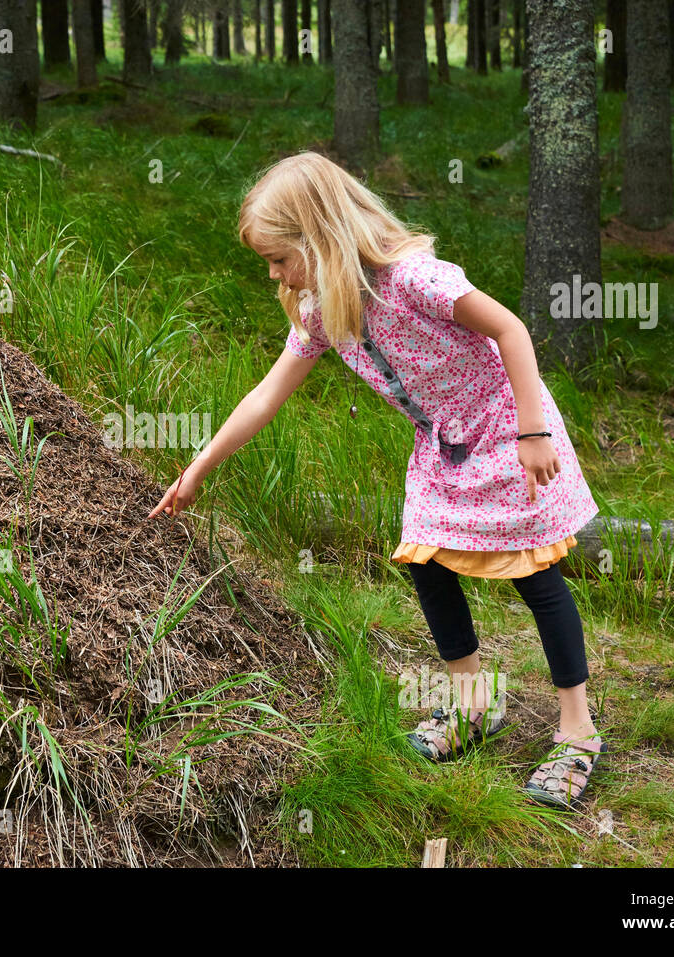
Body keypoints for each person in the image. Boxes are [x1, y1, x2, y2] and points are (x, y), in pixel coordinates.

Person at [146, 151, 607, 809]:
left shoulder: (415, 278)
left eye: (280, 257)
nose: (275, 273)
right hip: (441, 443)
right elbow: (265, 396)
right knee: (425, 559)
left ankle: (577, 731)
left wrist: (532, 429)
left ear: (319, 234)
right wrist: (197, 467)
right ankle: (475, 703)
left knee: (536, 573)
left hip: (505, 426)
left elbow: (511, 328)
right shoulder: (321, 308)